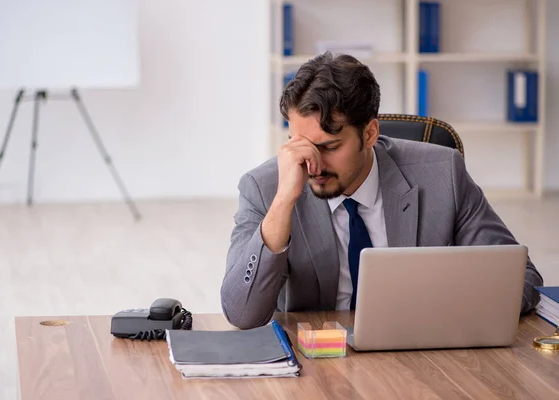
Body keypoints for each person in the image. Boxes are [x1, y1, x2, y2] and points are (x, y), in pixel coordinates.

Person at [220, 52, 543, 330]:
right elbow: (242, 314)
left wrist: (441, 310)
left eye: (329, 146)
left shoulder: (443, 171)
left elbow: (521, 278)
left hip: (425, 351)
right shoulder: (264, 188)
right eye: (299, 143)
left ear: (371, 133)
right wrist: (283, 203)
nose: (312, 164)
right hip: (317, 359)